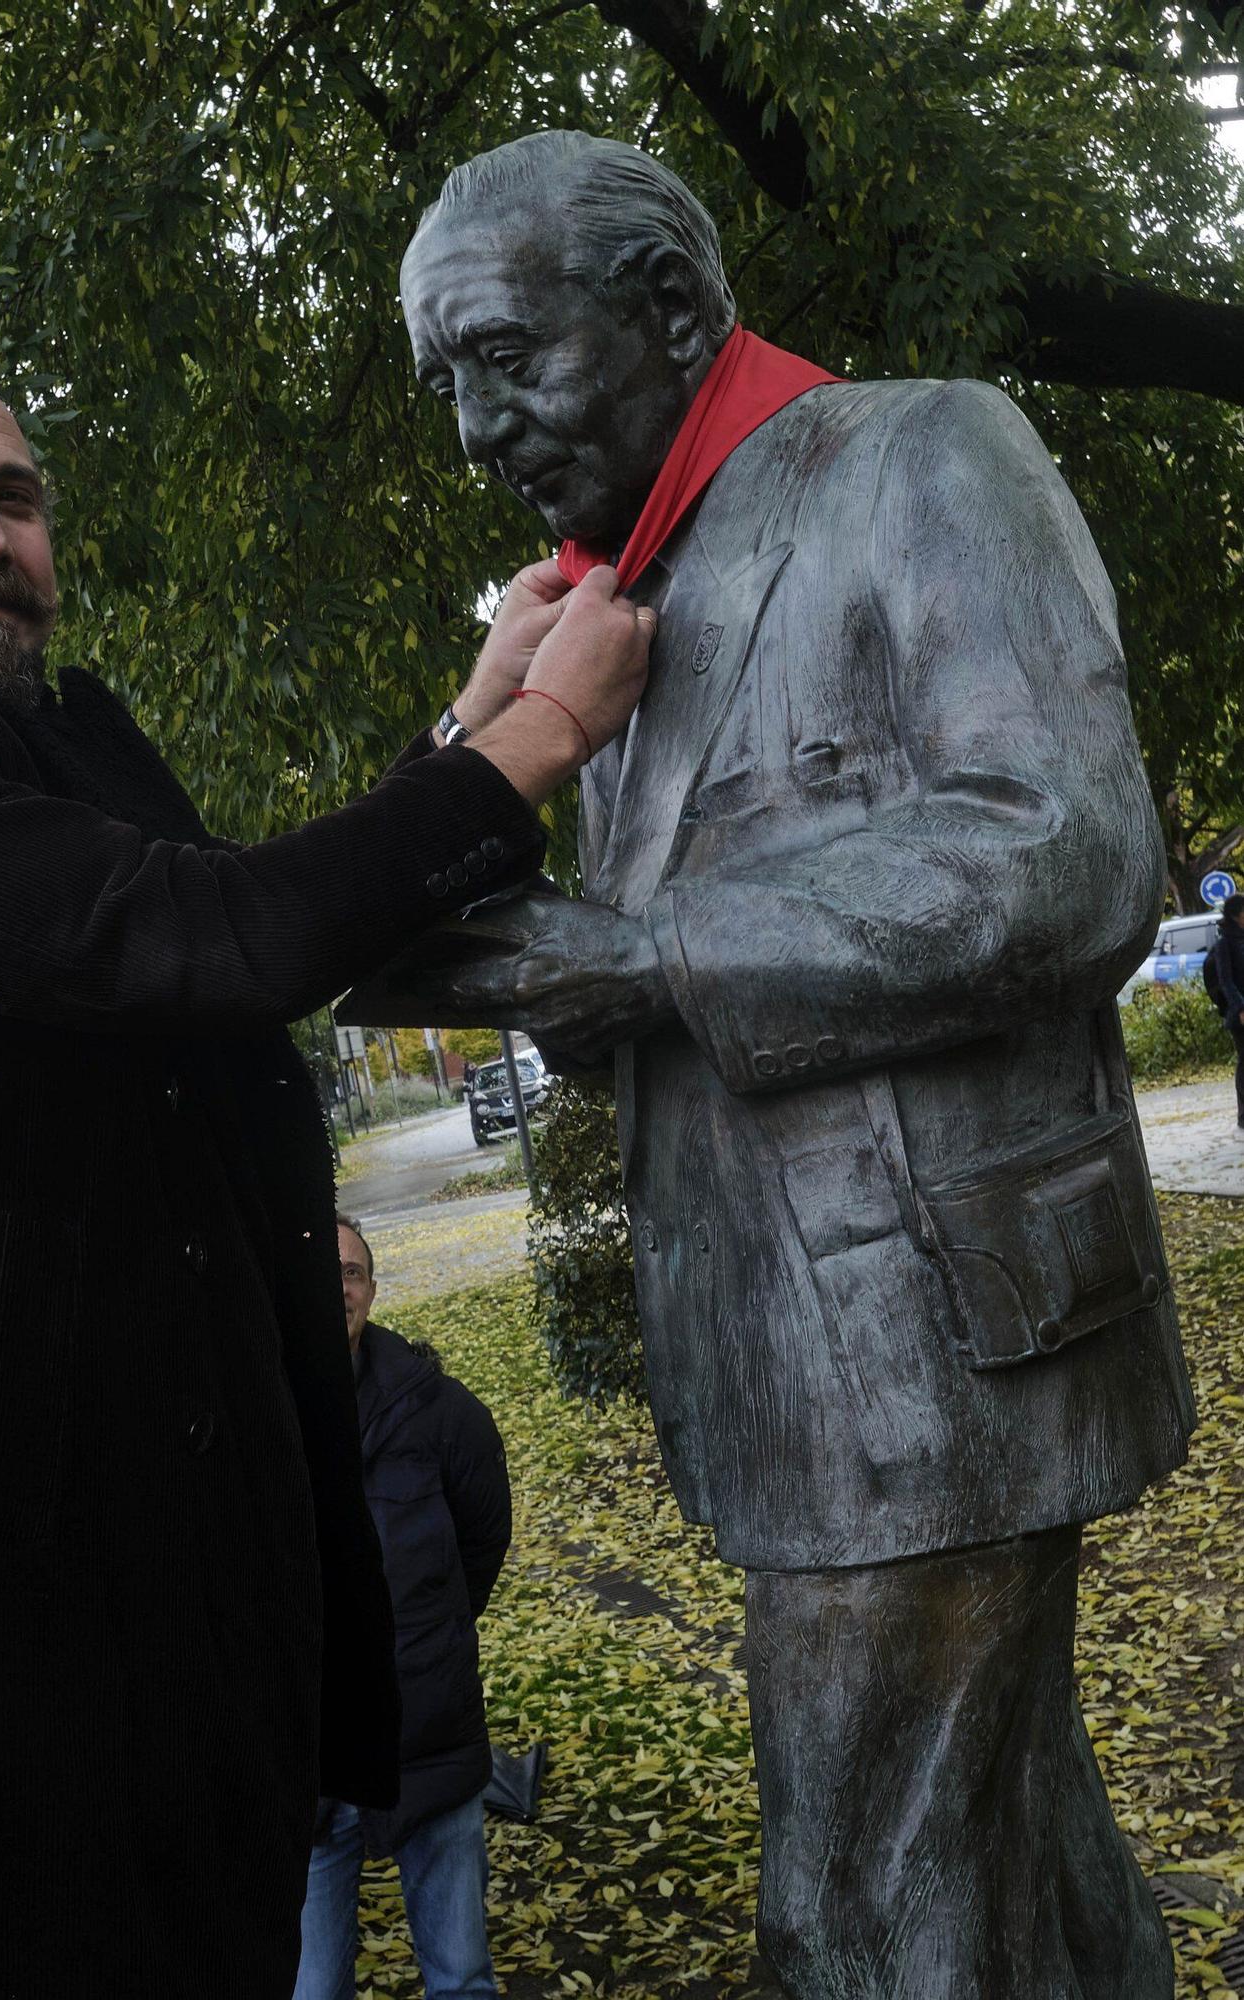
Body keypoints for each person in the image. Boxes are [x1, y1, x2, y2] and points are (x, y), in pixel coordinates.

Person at [0, 321, 654, 1998]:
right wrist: (538, 746)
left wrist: (468, 717)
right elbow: (199, 940)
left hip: (134, 1715)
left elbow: (206, 964)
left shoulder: (55, 742)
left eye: (16, 492)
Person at [370, 131, 1195, 1998]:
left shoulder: (919, 455)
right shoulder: (615, 603)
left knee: (855, 1901)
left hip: (939, 1352)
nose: (474, 426)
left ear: (664, 306)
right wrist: (487, 738)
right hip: (794, 1378)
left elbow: (1064, 847)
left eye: (504, 353)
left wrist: (648, 957)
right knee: (1018, 1861)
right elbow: (553, 969)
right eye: (444, 383)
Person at [293, 1216, 510, 2000]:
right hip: (311, 1763)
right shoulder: (262, 1416)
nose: (336, 1288)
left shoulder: (441, 1412)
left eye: (350, 1272)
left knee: (460, 1978)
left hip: (429, 1742)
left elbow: (481, 1544)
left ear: (373, 1290)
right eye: (318, 1271)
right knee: (313, 1990)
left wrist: (429, 1636)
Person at [1203, 891, 1244, 1128]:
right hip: (1239, 1014)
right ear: (1235, 915)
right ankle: (1243, 1115)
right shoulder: (1224, 944)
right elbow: (1226, 980)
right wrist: (1239, 1007)